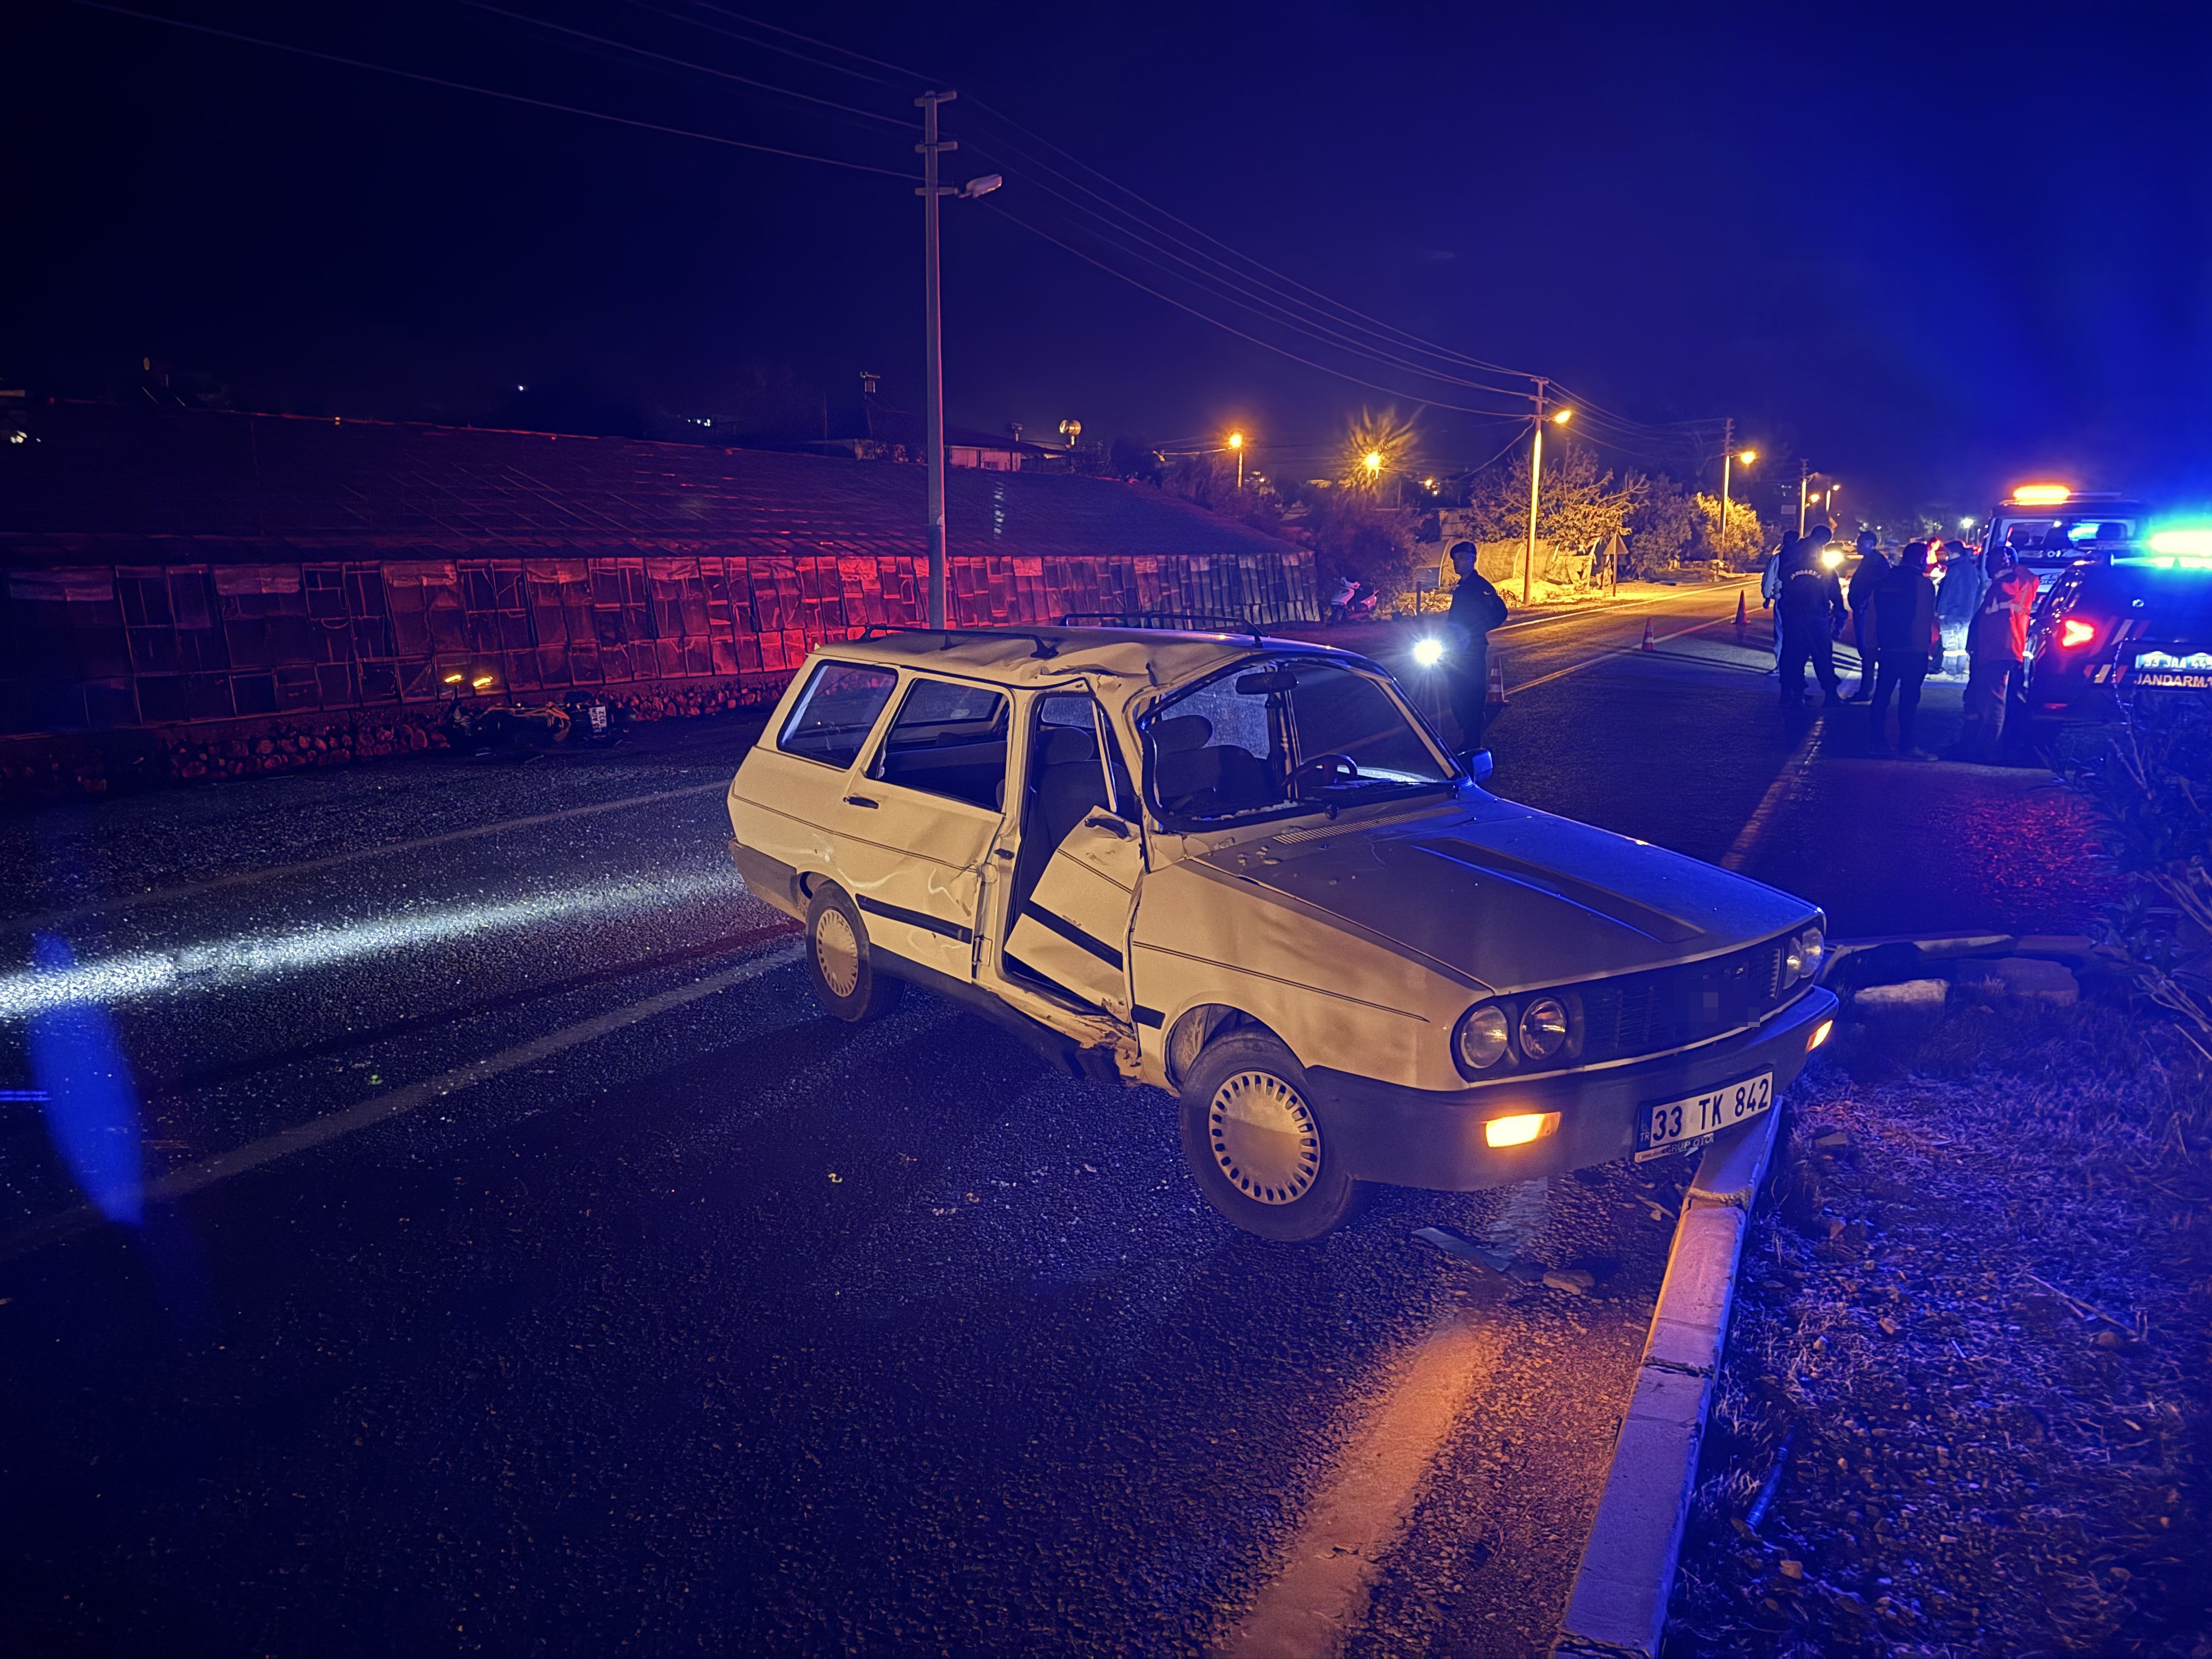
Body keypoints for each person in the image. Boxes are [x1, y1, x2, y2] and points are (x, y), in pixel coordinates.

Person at [1954, 543, 2039, 761]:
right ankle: (1971, 746)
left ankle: (1987, 751)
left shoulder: (2008, 585)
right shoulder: (2012, 584)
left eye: (1991, 561)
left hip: (1998, 652)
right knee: (1980, 700)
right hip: (1996, 651)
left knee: (1992, 703)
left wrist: (2010, 559)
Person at [1867, 541, 1941, 756]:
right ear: (1921, 559)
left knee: (1881, 695)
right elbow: (1923, 618)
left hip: (1888, 649)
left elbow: (1873, 616)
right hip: (1912, 651)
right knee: (1909, 699)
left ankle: (1877, 742)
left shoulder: (1883, 581)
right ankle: (1907, 745)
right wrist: (1923, 650)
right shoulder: (1922, 584)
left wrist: (1871, 645)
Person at [1442, 540, 1508, 751]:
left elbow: (1500, 613)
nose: (1458, 563)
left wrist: (1478, 630)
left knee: (1471, 693)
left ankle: (1472, 740)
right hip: (1455, 649)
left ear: (1474, 560)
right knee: (1456, 694)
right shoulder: (1461, 587)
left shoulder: (1481, 587)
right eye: (1456, 559)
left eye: (1463, 558)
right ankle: (1468, 734)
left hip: (1473, 649)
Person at [1776, 526, 1848, 706]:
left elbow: (1783, 584)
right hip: (1817, 617)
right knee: (1822, 656)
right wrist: (1840, 617)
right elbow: (1835, 595)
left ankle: (1790, 692)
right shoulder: (1826, 570)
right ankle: (1830, 695)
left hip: (1793, 616)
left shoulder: (1789, 563)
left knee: (1792, 654)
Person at [1845, 534, 1888, 701]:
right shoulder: (1870, 560)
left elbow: (1878, 585)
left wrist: (1865, 604)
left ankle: (1867, 690)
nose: (1858, 546)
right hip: (1865, 610)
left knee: (1868, 650)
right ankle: (1868, 689)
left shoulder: (1876, 562)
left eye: (1861, 543)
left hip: (1868, 612)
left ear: (1871, 544)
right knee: (1867, 651)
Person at [1935, 539, 1987, 677]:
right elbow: (1979, 591)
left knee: (1950, 644)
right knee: (1961, 644)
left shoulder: (1954, 569)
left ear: (1953, 553)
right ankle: (1959, 668)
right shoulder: (1972, 569)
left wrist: (1942, 612)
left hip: (1951, 613)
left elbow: (1948, 592)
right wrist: (1973, 610)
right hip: (1967, 613)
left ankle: (1950, 670)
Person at [1761, 528, 1800, 668]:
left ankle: (1781, 666)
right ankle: (1797, 666)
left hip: (1782, 599)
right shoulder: (1804, 558)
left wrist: (1767, 597)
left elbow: (1768, 579)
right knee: (1797, 632)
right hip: (1801, 600)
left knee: (1781, 632)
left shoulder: (1778, 558)